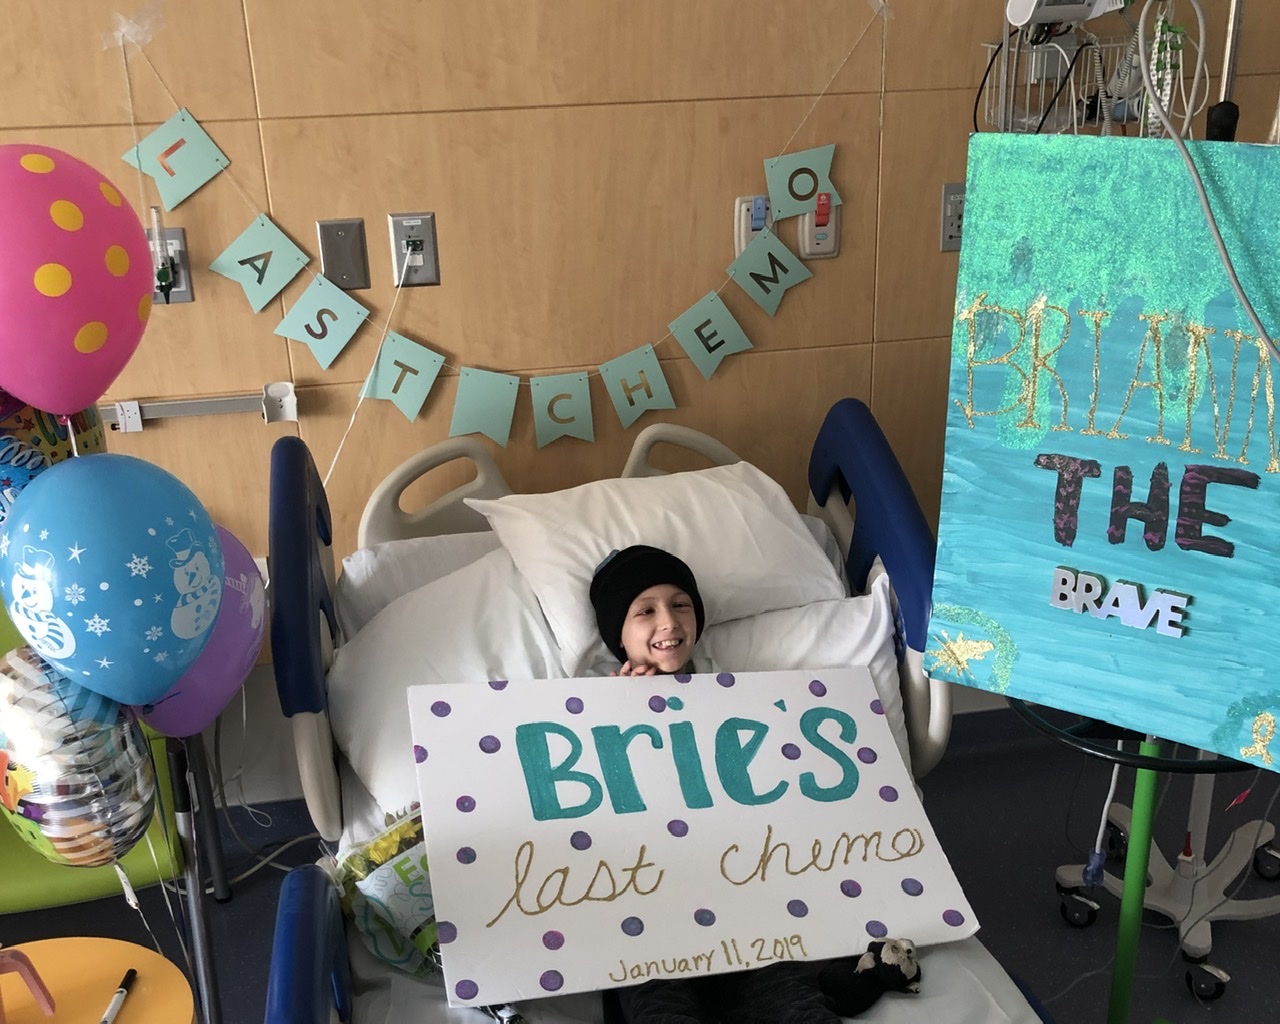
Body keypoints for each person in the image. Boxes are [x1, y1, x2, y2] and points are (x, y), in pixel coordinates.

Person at [589, 546, 921, 1024]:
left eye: (681, 604)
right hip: (650, 912)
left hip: (746, 900)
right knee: (660, 1009)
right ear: (617, 634)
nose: (669, 621)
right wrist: (619, 712)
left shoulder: (743, 700)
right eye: (645, 611)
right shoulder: (585, 712)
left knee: (793, 1004)